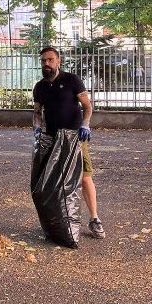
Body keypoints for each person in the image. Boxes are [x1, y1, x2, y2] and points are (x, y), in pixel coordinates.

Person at [32, 47, 106, 240]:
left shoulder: (71, 80)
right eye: (43, 61)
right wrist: (38, 130)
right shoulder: (40, 87)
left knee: (84, 176)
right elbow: (37, 113)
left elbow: (87, 107)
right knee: (52, 180)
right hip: (52, 139)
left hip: (75, 137)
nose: (46, 64)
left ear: (58, 61)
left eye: (50, 60)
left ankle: (94, 219)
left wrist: (86, 125)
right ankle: (58, 222)